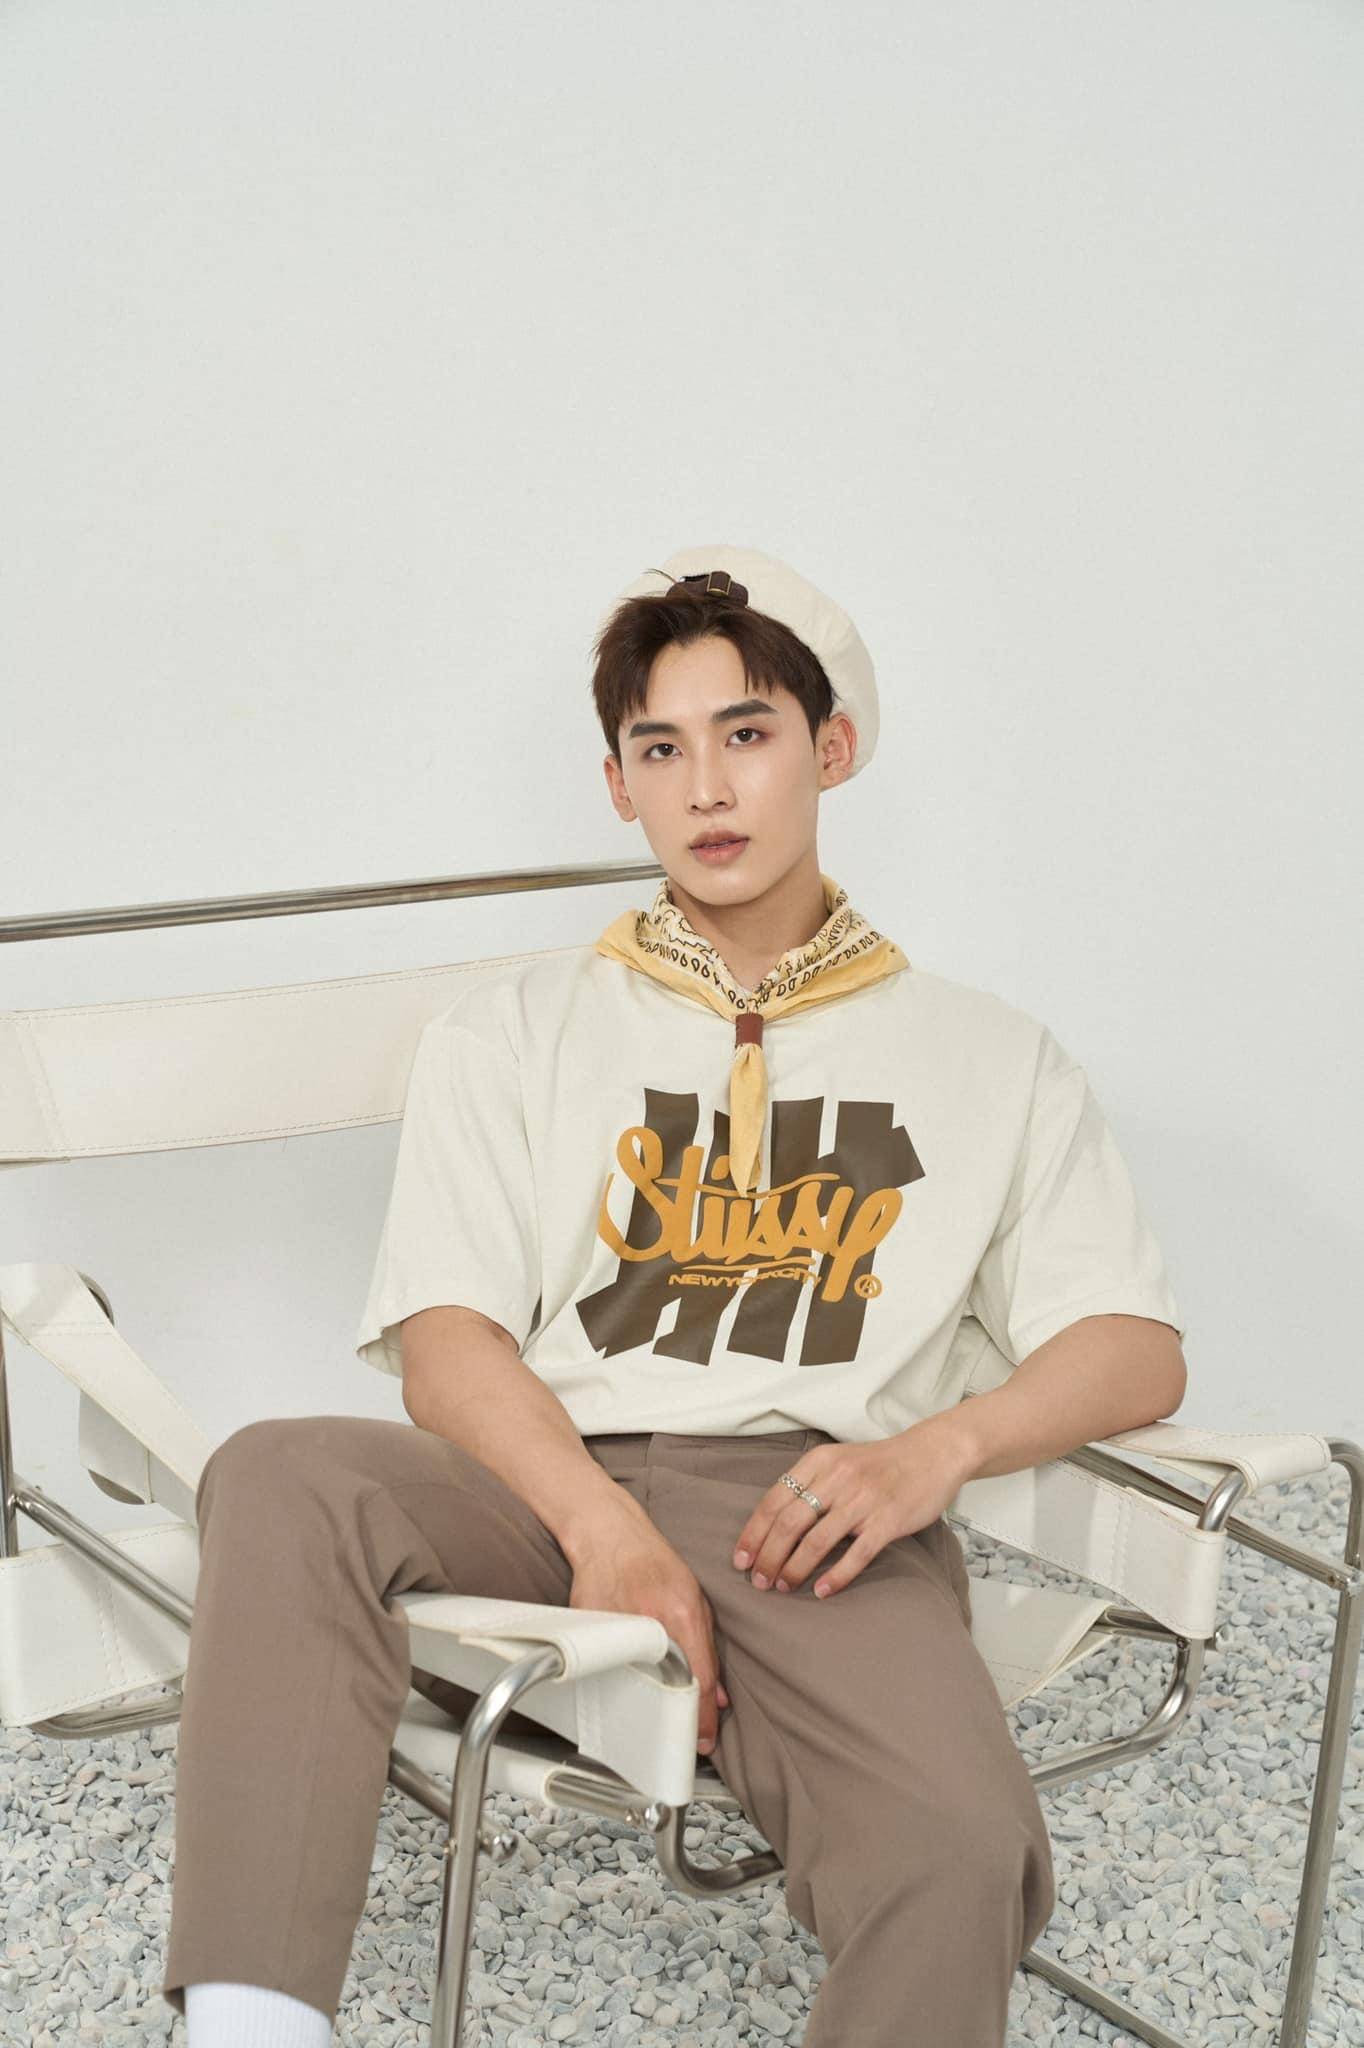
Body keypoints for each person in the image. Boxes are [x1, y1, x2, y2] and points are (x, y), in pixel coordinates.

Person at [161, 543, 1189, 2047]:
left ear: (832, 750)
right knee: (283, 1473)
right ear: (616, 785)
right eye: (661, 749)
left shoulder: (992, 1056)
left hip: (809, 1520)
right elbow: (448, 1344)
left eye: (747, 734)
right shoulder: (513, 1031)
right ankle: (251, 2035)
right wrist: (604, 1531)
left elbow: (1132, 1347)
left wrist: (937, 1452)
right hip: (535, 1483)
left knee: (961, 1852)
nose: (706, 788)